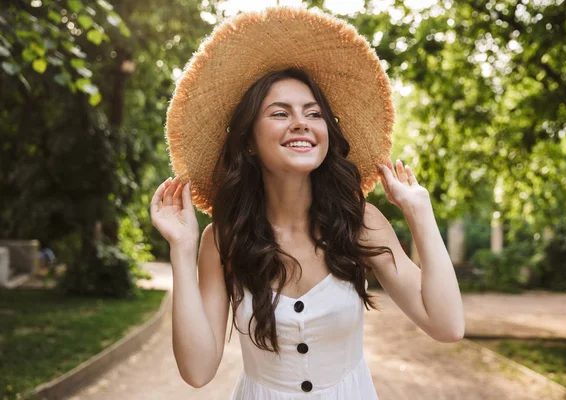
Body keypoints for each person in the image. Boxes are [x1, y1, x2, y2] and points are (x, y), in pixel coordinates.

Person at [150, 6, 464, 399]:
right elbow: (197, 371)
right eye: (280, 113)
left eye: (313, 114)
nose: (301, 123)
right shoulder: (223, 240)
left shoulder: (359, 221)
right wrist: (181, 248)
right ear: (249, 140)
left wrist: (420, 213)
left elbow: (448, 325)